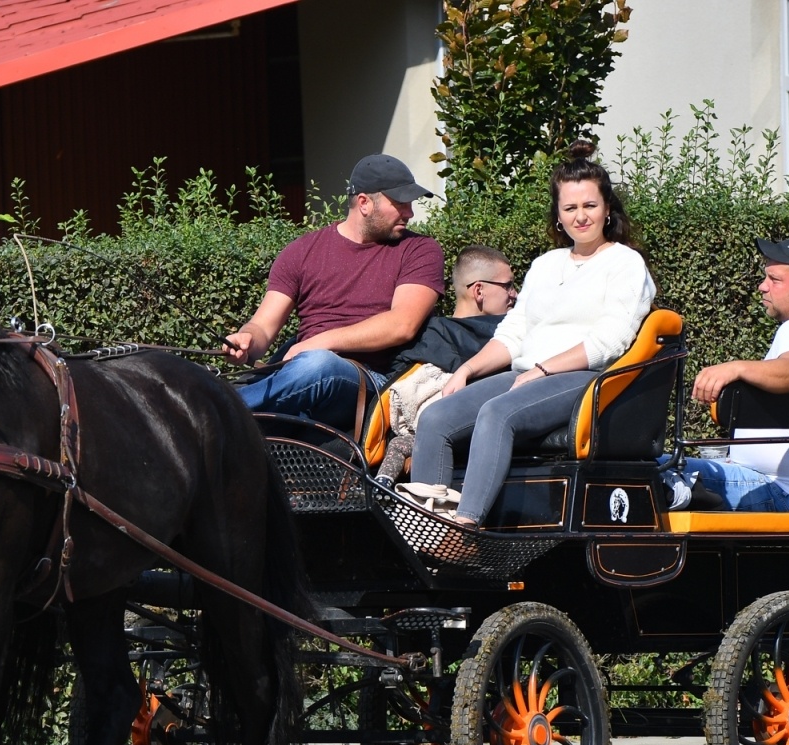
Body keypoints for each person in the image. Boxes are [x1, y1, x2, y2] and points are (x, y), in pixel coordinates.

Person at [404, 142, 656, 527]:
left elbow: (611, 341)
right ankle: (429, 528)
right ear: (558, 216)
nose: (581, 216)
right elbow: (514, 332)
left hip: (586, 376)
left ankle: (466, 527)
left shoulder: (625, 263)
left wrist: (543, 369)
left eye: (589, 206)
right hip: (525, 373)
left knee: (497, 412)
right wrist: (466, 371)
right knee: (436, 417)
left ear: (607, 209)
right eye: (570, 208)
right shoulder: (545, 264)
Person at [224, 154, 444, 429]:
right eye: (400, 203)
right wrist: (246, 340)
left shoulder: (420, 251)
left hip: (372, 382)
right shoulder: (301, 252)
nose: (410, 213)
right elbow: (263, 327)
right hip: (302, 372)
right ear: (364, 203)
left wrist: (318, 342)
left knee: (318, 365)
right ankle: (219, 405)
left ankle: (214, 409)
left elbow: (403, 325)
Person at [667, 235, 789, 512]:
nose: (762, 286)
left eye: (774, 279)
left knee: (650, 472)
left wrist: (735, 367)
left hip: (780, 493)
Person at [374, 245, 517, 483]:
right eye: (508, 285)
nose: (514, 294)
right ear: (479, 291)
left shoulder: (428, 336)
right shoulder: (512, 334)